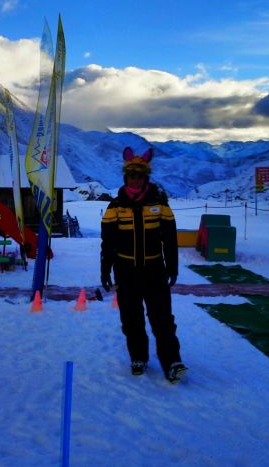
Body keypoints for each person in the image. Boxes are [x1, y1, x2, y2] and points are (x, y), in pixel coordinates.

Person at [100, 147, 187, 383]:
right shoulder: (115, 207)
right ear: (125, 177)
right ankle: (138, 357)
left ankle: (172, 362)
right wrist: (105, 270)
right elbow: (108, 243)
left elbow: (170, 240)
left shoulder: (160, 205)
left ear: (146, 177)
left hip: (155, 270)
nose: (135, 180)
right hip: (125, 271)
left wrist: (173, 267)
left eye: (140, 175)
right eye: (131, 175)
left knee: (163, 319)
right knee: (131, 319)